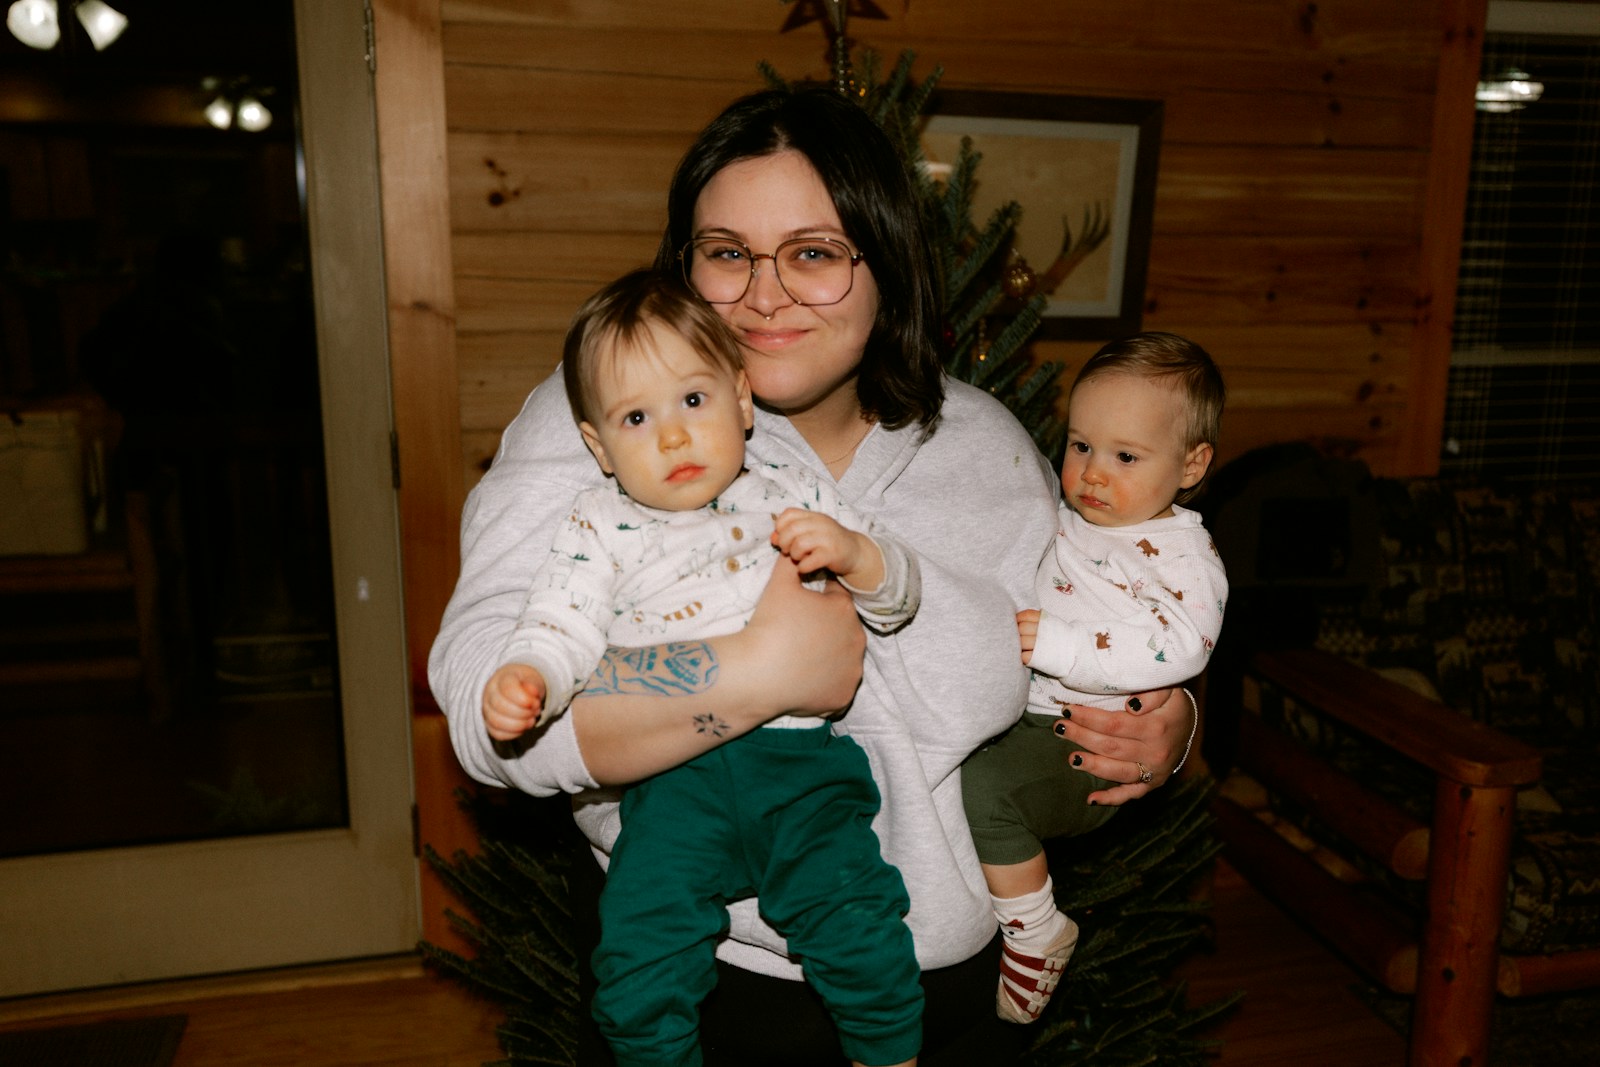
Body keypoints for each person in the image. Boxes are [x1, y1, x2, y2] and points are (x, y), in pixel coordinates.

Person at [428, 84, 1200, 1067]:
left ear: (885, 262)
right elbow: (484, 716)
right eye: (725, 252)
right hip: (696, 973)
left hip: (936, 980)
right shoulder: (608, 420)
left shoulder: (985, 447)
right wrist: (749, 673)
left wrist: (1167, 725)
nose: (762, 293)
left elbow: (1091, 628)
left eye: (814, 252)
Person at [482, 268, 924, 1067]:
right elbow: (563, 618)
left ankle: (887, 1052)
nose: (674, 436)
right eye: (637, 417)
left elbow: (897, 594)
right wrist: (533, 674)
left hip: (798, 770)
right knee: (640, 950)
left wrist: (857, 555)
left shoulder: (791, 489)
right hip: (673, 782)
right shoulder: (600, 522)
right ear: (599, 447)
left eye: (694, 400)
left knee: (856, 914)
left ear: (742, 401)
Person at [961, 332, 1228, 1025]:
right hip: (1029, 715)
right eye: (1080, 445)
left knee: (984, 791)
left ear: (1192, 463)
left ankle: (1033, 927)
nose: (1092, 474)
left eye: (1125, 456)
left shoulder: (1183, 557)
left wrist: (1062, 645)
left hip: (1079, 741)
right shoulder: (1073, 517)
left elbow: (1184, 647)